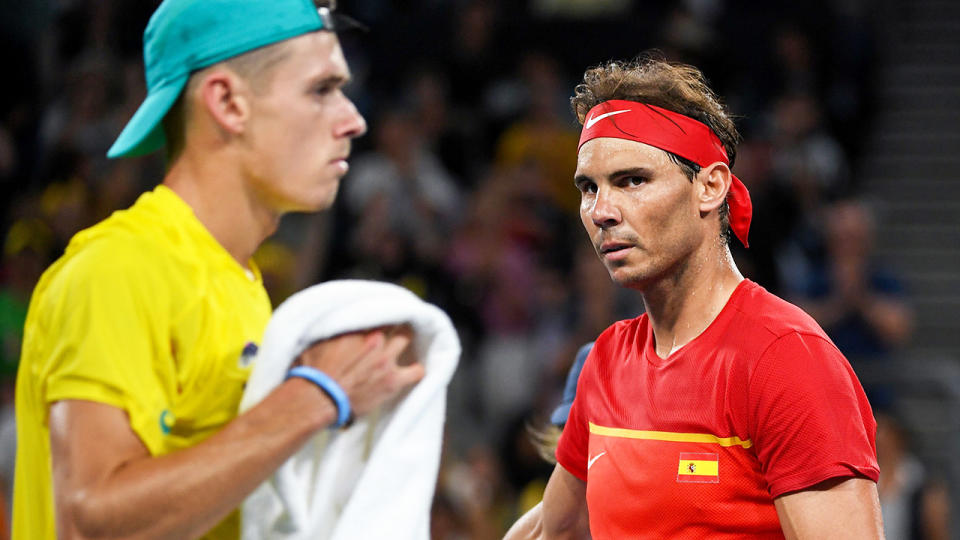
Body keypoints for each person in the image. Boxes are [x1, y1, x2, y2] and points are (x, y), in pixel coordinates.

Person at [13, 1, 425, 539]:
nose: (353, 119)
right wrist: (318, 393)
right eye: (321, 90)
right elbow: (89, 522)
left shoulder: (240, 287)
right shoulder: (119, 268)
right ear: (228, 102)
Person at [506, 57, 882, 539]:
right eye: (588, 188)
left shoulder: (786, 359)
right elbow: (549, 531)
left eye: (632, 180)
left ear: (710, 186)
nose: (601, 211)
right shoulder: (604, 360)